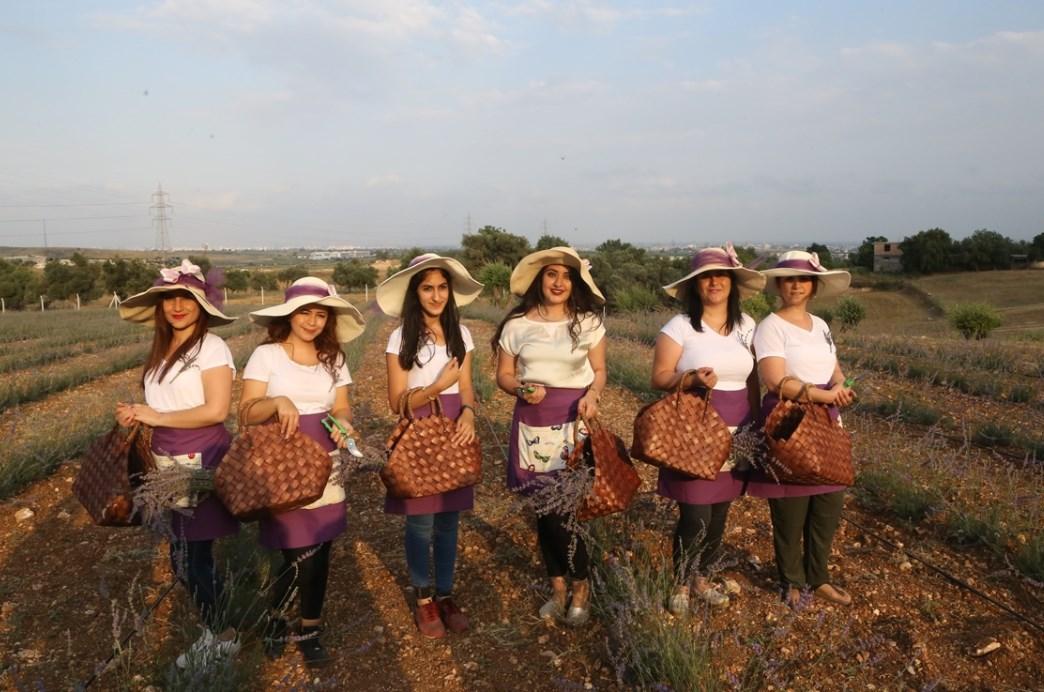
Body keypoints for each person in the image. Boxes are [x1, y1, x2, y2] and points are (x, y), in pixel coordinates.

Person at [115, 259, 241, 667]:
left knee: (192, 555)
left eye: (186, 298)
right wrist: (136, 413)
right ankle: (219, 628)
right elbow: (160, 405)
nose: (177, 306)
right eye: (170, 298)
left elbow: (216, 409)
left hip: (200, 457)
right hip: (165, 460)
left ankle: (222, 636)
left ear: (203, 304)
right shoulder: (161, 350)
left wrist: (157, 416)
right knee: (182, 553)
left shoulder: (212, 348)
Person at [241, 276, 365, 666]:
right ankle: (277, 617)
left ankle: (309, 626)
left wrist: (345, 424)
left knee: (321, 549)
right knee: (295, 551)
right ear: (290, 315)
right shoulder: (268, 356)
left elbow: (341, 406)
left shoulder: (335, 358)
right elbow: (245, 411)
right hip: (282, 464)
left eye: (321, 314)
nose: (313, 321)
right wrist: (277, 402)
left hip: (326, 461)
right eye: (305, 313)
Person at [492, 246, 606, 627]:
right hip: (532, 422)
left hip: (573, 422)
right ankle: (558, 587)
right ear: (539, 280)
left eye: (566, 275)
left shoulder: (588, 322)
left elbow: (600, 370)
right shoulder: (517, 325)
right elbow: (503, 375)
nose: (559, 282)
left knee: (567, 511)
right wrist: (519, 388)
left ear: (574, 282)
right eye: (551, 274)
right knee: (544, 511)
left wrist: (592, 395)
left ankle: (580, 587)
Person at [376, 253, 485, 639]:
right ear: (415, 293)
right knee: (421, 522)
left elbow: (468, 385)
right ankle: (424, 599)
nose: (436, 295)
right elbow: (396, 401)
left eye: (442, 287)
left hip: (456, 426)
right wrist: (438, 387)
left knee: (450, 522)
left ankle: (446, 593)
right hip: (420, 429)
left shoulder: (463, 334)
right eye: (427, 288)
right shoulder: (400, 337)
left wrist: (469, 412)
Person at [652, 244, 765, 613]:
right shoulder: (680, 327)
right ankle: (680, 582)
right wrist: (690, 378)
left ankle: (701, 578)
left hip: (738, 430)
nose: (713, 282)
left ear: (731, 283)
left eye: (720, 275)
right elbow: (659, 377)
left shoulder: (748, 327)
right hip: (694, 432)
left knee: (719, 513)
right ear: (695, 286)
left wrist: (757, 421)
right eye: (705, 277)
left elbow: (752, 380)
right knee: (695, 514)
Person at [749, 250, 856, 608]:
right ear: (780, 285)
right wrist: (822, 394)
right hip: (792, 423)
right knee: (791, 511)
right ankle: (791, 580)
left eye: (803, 279)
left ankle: (819, 577)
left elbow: (834, 368)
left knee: (828, 505)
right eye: (789, 279)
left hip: (827, 423)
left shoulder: (821, 325)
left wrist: (840, 387)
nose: (796, 285)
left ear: (813, 286)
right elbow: (775, 380)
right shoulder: (771, 326)